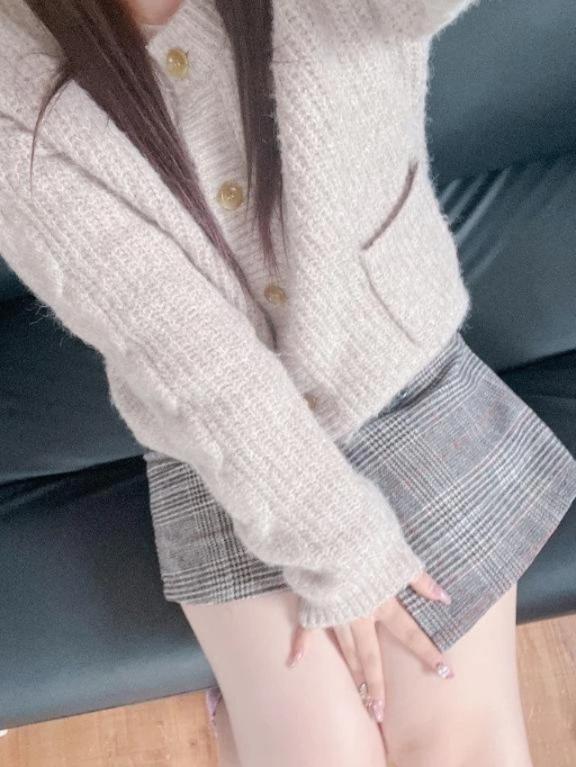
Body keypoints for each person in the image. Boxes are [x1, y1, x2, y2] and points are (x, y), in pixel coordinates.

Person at [1, 1, 575, 765]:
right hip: (223, 455)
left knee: (464, 750)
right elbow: (187, 355)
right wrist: (344, 554)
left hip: (401, 383)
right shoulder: (11, 71)